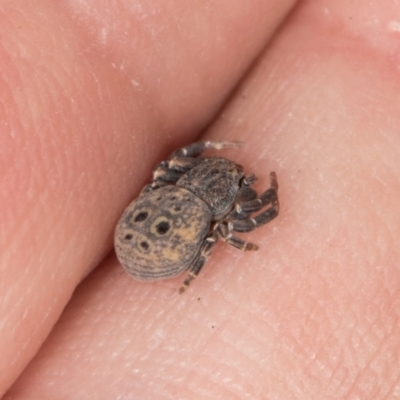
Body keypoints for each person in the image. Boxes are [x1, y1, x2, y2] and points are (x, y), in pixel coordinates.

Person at [2, 1, 399, 398]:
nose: (232, 169)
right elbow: (264, 211)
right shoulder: (205, 208)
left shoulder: (174, 179)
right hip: (151, 241)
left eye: (234, 175)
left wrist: (215, 157)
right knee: (207, 234)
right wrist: (263, 190)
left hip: (158, 226)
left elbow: (215, 187)